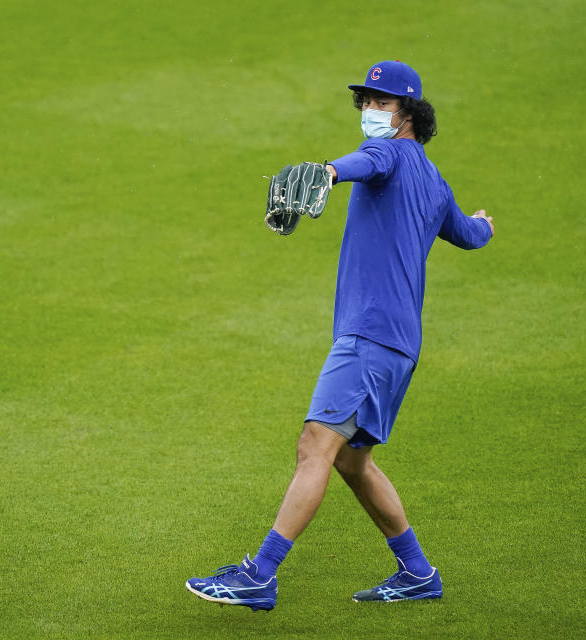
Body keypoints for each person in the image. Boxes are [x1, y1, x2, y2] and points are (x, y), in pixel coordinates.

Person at [185, 60, 495, 610]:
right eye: (366, 102)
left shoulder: (390, 154)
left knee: (314, 447)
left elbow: (367, 161)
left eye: (381, 102)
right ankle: (418, 572)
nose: (370, 110)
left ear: (408, 114)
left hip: (368, 338)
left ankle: (260, 574)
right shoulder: (435, 180)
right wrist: (484, 225)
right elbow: (467, 235)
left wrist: (327, 173)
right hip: (399, 346)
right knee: (352, 462)